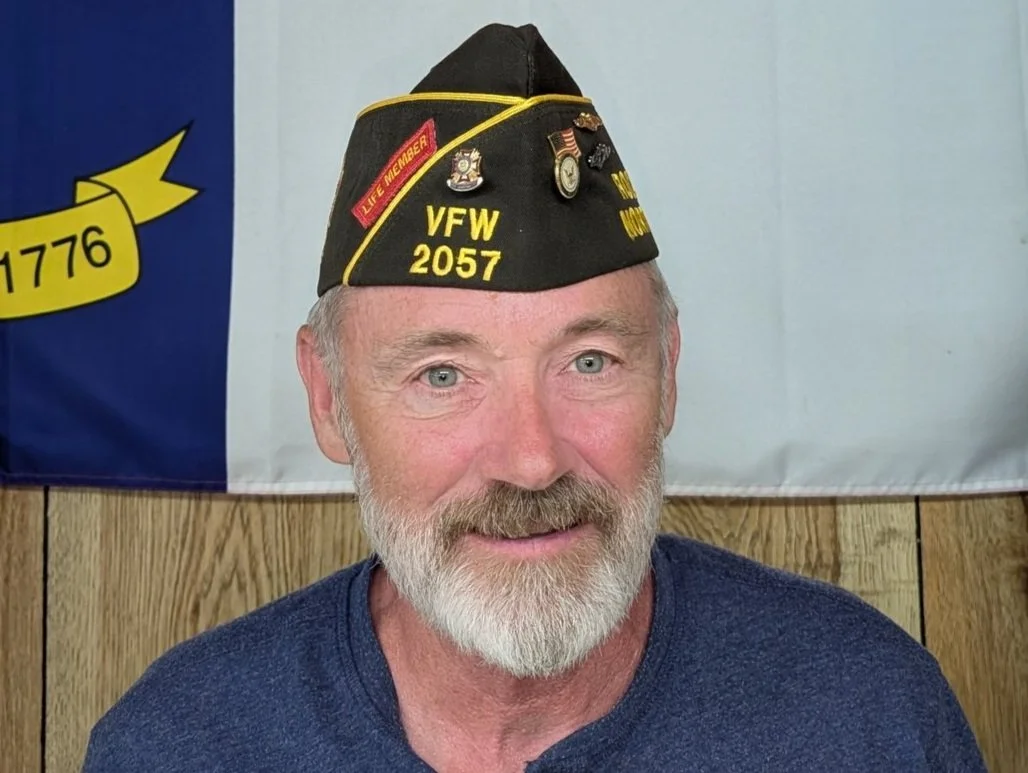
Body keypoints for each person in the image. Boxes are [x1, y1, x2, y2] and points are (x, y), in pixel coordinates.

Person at [83, 23, 986, 772]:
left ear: (666, 371)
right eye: (444, 375)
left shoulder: (870, 720)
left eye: (589, 361)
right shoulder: (178, 745)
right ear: (328, 398)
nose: (532, 458)